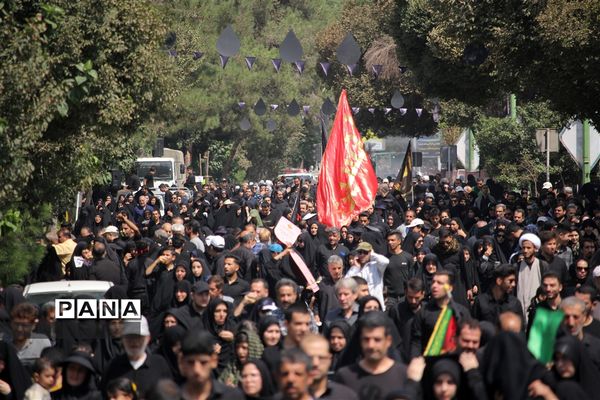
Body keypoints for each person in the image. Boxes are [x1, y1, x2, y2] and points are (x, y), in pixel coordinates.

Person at [334, 312, 407, 400]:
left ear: (388, 341)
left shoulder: (404, 375)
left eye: (377, 340)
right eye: (366, 339)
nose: (371, 345)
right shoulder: (345, 377)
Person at [101, 317, 173, 398]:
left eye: (138, 337)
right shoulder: (113, 366)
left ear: (148, 338)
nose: (134, 342)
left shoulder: (159, 364)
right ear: (123, 339)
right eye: (130, 337)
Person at [410, 270, 471, 357]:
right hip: (430, 361)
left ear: (449, 288)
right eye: (433, 282)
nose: (434, 286)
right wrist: (415, 360)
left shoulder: (461, 312)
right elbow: (416, 342)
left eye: (440, 283)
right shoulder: (423, 312)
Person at [178, 330, 244, 400]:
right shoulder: (172, 396)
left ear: (213, 361)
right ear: (182, 362)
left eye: (203, 363)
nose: (197, 370)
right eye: (190, 362)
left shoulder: (232, 396)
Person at [299, 334, 358, 400]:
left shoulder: (346, 396)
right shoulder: (290, 395)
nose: (315, 363)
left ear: (330, 359)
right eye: (309, 358)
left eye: (321, 358)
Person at [345, 242, 390, 311]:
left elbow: (385, 261)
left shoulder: (375, 265)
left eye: (365, 252)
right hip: (359, 308)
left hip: (376, 307)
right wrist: (355, 267)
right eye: (360, 252)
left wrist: (372, 254)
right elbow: (346, 283)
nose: (362, 255)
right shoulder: (354, 268)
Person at [560, 296, 600, 370]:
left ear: (584, 317)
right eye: (566, 317)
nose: (571, 323)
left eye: (576, 317)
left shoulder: (597, 347)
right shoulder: (551, 346)